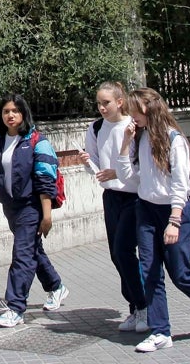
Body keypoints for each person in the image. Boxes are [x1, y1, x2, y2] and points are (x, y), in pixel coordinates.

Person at [115, 87, 190, 353]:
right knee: (150, 271)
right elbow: (129, 176)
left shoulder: (174, 140)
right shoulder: (140, 138)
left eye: (135, 111)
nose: (131, 117)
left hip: (173, 212)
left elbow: (181, 185)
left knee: (180, 274)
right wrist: (124, 144)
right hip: (146, 210)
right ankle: (160, 332)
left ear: (149, 109)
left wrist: (174, 221)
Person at [0, 94, 69, 328]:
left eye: (15, 111)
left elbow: (45, 181)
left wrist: (47, 216)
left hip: (31, 207)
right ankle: (56, 287)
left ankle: (15, 307)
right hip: (10, 207)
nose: (10, 115)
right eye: (6, 111)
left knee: (22, 255)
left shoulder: (37, 141)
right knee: (32, 250)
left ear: (24, 114)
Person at [77, 81, 148, 333]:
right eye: (98, 103)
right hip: (112, 198)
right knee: (117, 255)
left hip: (135, 197)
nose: (102, 108)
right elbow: (96, 166)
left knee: (124, 251)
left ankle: (144, 306)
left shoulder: (133, 127)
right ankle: (136, 307)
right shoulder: (95, 128)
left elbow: (142, 166)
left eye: (106, 102)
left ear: (120, 101)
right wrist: (88, 163)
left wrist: (115, 172)